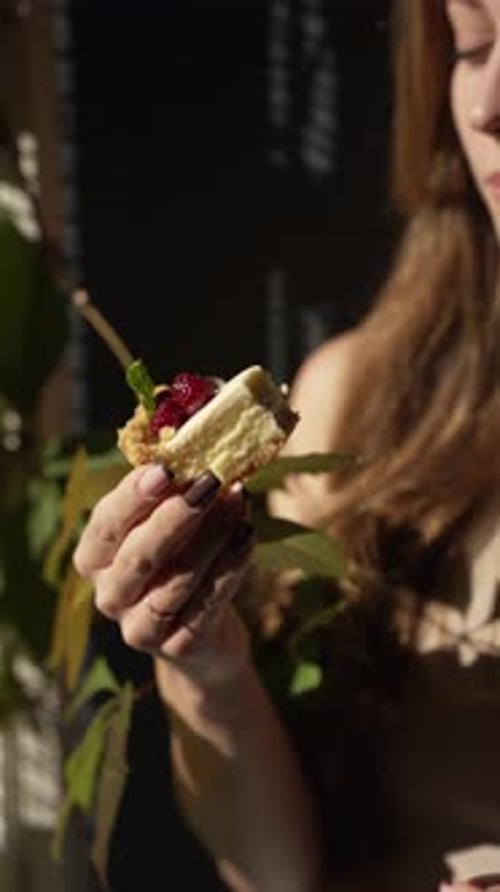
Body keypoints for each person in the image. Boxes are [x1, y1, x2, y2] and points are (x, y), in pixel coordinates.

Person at [73, 0, 500, 890]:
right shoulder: (363, 397)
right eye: (472, 44)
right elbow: (275, 874)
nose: (486, 103)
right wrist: (208, 666)